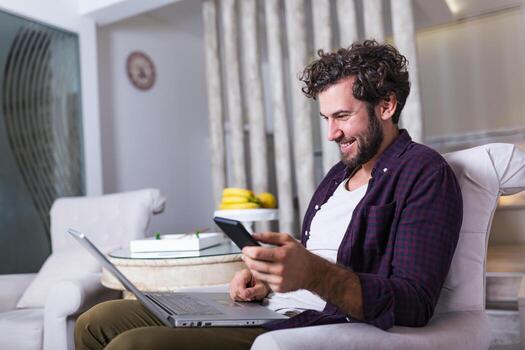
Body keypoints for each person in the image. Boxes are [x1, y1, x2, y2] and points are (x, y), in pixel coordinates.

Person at [75, 40, 462, 350]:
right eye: (326, 119)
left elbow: (413, 301)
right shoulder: (336, 177)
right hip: (270, 306)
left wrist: (311, 274)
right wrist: (270, 277)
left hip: (304, 325)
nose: (331, 134)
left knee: (133, 344)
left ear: (387, 105)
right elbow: (320, 255)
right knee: (96, 320)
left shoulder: (425, 174)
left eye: (342, 116)